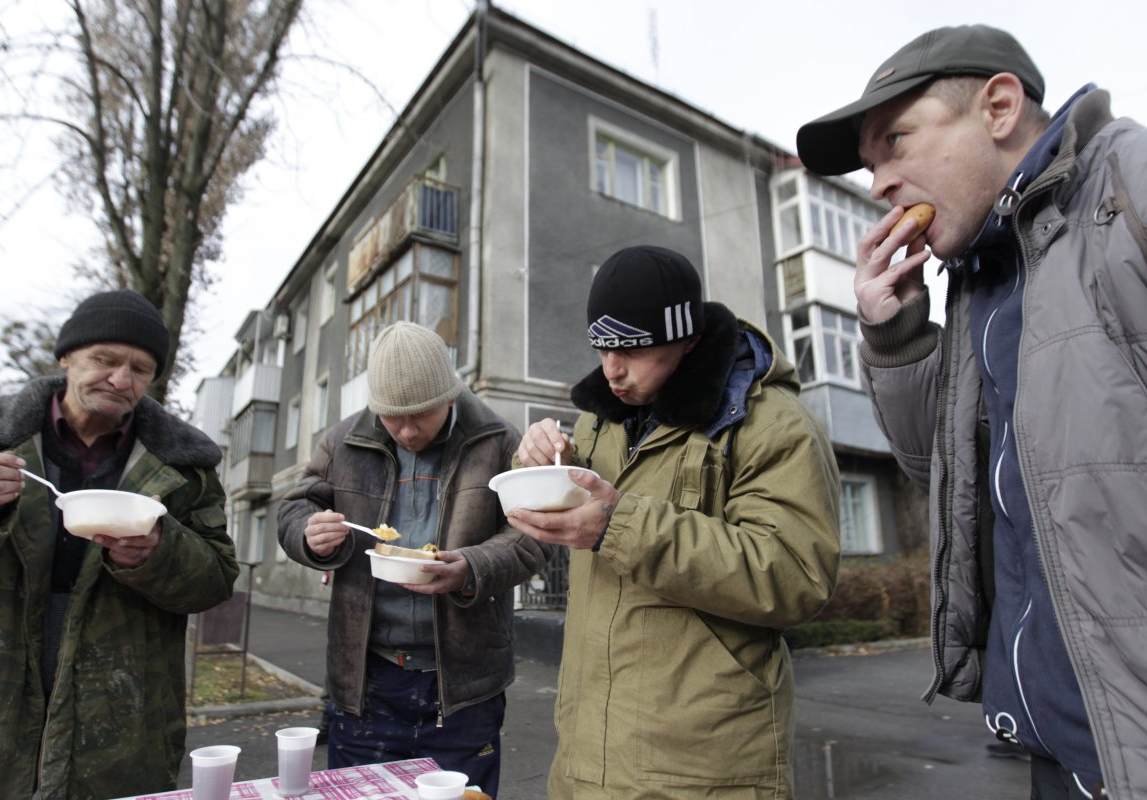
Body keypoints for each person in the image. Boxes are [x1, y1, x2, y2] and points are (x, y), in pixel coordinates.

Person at [797, 24, 1147, 800]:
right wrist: (893, 334)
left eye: (896, 140)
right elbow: (946, 482)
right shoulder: (980, 282)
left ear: (997, 106)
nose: (878, 181)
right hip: (1062, 741)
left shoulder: (1127, 182)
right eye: (870, 162)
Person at [509, 245, 841, 799]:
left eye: (633, 351)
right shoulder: (600, 423)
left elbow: (795, 575)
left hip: (706, 768)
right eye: (601, 348)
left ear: (688, 340)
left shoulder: (771, 424)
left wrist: (619, 526)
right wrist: (540, 460)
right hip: (586, 756)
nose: (612, 370)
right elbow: (568, 507)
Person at [0, 289, 238, 799]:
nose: (122, 380)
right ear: (66, 357)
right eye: (104, 359)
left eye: (140, 369)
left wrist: (158, 552)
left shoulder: (184, 465)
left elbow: (216, 580)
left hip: (121, 724)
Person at [277, 321, 550, 799]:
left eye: (420, 415)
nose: (406, 431)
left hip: (465, 685)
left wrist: (470, 566)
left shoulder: (497, 439)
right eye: (390, 416)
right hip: (367, 679)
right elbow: (296, 506)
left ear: (449, 395)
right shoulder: (341, 441)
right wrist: (308, 532)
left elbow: (534, 536)